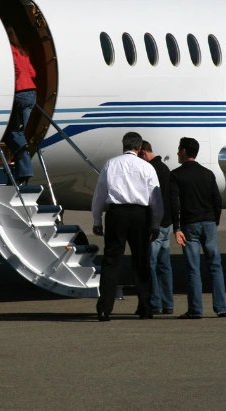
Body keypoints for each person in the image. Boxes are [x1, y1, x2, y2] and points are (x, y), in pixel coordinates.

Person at [91, 132, 164, 321]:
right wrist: (155, 224)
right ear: (139, 148)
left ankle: (104, 309)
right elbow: (156, 199)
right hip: (140, 215)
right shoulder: (146, 167)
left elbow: (99, 194)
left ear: (123, 146)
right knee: (141, 261)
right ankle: (145, 308)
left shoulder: (110, 164)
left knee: (111, 261)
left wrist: (97, 220)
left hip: (116, 214)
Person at [169, 137, 226, 319]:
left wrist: (176, 228)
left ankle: (196, 309)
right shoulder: (208, 174)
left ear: (184, 151)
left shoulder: (176, 175)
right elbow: (217, 200)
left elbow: (174, 203)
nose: (177, 153)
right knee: (215, 266)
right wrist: (215, 221)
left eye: (179, 149)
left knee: (193, 268)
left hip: (190, 225)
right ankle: (221, 307)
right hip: (208, 222)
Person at [139, 140, 174, 315]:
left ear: (143, 153)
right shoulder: (165, 168)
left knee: (150, 264)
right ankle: (168, 303)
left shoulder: (151, 170)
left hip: (156, 223)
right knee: (164, 265)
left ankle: (155, 303)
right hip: (167, 222)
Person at [4, 25, 36, 184]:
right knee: (22, 133)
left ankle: (24, 170)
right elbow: (33, 73)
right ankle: (22, 171)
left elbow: (15, 69)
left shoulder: (9, 49)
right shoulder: (22, 50)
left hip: (19, 93)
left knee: (13, 133)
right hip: (31, 93)